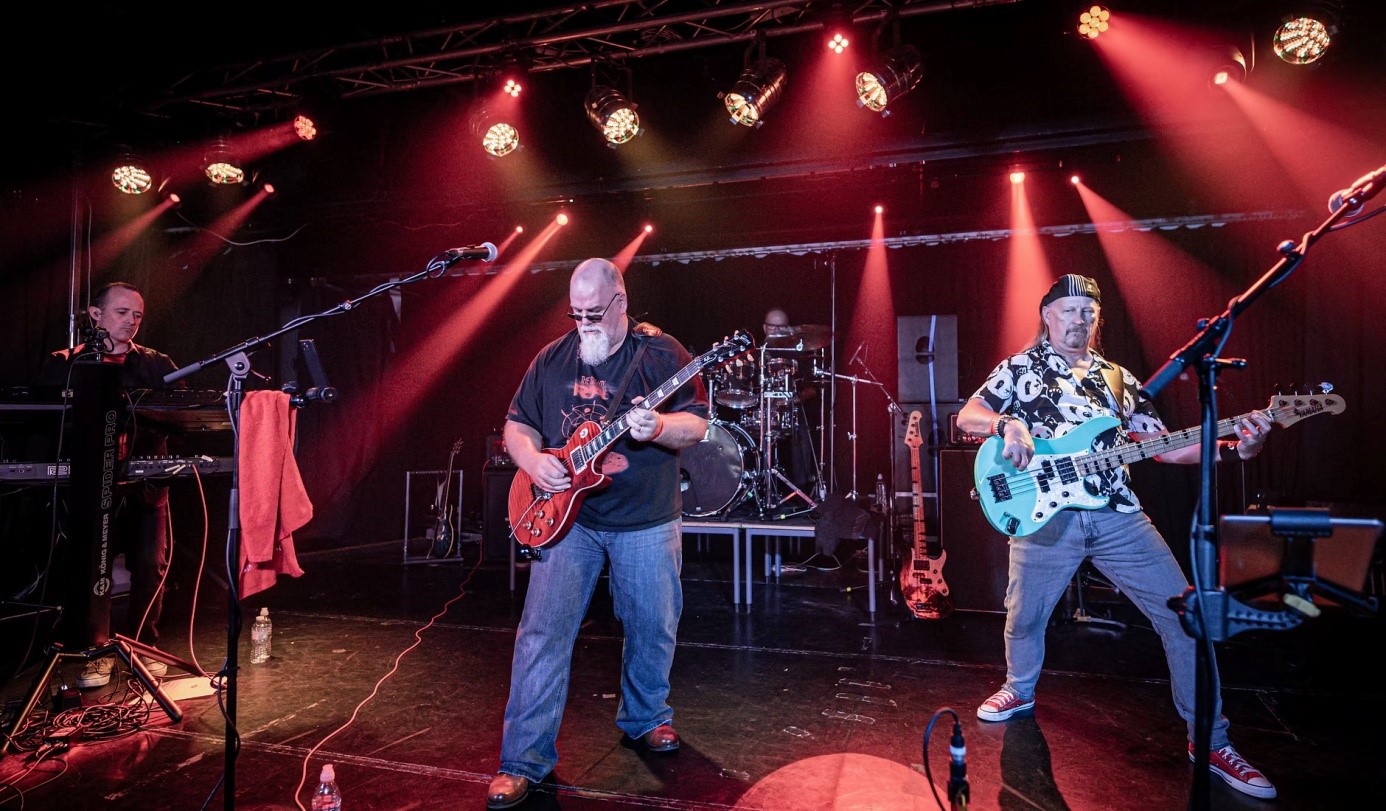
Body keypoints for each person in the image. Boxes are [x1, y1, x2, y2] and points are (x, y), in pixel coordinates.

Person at [956, 274, 1277, 800]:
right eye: (1068, 309)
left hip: (1117, 515)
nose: (1079, 319)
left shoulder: (1119, 379)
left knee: (1186, 617)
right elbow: (968, 415)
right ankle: (1019, 688)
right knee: (1025, 616)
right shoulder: (1019, 367)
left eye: (1088, 311)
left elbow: (1164, 447)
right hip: (1045, 516)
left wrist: (1233, 448)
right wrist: (1008, 425)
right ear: (1047, 316)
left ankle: (1211, 741)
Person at [487, 258, 709, 809]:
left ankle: (646, 718)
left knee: (653, 625)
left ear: (621, 303)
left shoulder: (661, 353)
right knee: (541, 634)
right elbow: (516, 424)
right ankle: (522, 760)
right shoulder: (552, 358)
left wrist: (658, 426)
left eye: (593, 313)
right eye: (576, 313)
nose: (584, 323)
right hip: (570, 519)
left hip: (647, 517)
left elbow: (697, 424)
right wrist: (533, 461)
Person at [38, 281, 184, 689]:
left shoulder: (156, 364)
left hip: (145, 486)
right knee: (89, 567)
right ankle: (96, 651)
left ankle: (143, 646)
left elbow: (183, 418)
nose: (131, 321)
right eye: (122, 313)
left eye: (138, 315)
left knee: (149, 564)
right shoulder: (64, 363)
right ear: (95, 315)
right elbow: (45, 423)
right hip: (89, 487)